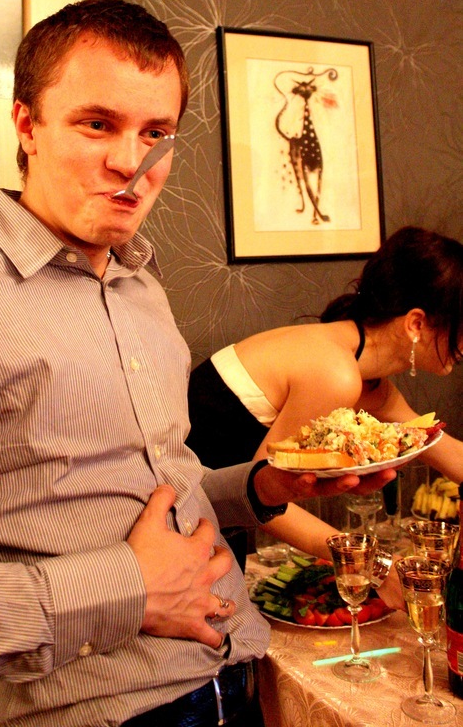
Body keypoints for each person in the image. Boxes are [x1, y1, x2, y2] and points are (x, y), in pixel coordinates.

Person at [0, 0, 393, 727]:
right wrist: (126, 588)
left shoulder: (140, 287)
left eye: (156, 133)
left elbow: (142, 491)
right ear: (27, 125)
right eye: (97, 124)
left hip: (234, 680)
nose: (132, 163)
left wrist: (264, 486)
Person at [187, 226, 463, 573]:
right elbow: (265, 495)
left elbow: (437, 445)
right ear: (416, 324)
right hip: (188, 514)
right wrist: (368, 563)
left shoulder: (367, 378)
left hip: (217, 514)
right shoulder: (336, 374)